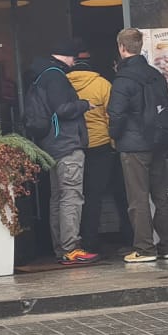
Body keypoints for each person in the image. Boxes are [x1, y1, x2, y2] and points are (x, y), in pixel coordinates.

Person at [21, 45, 97, 266]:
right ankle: (71, 248)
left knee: (58, 198)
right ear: (64, 55)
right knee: (71, 196)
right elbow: (63, 109)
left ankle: (61, 248)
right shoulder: (56, 77)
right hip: (66, 145)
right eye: (73, 57)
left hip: (51, 145)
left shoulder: (41, 75)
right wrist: (84, 104)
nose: (74, 61)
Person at [108, 28, 168, 266]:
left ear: (121, 47)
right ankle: (167, 246)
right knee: (160, 196)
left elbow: (116, 114)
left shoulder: (123, 79)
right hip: (157, 142)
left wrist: (114, 136)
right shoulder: (155, 75)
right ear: (140, 47)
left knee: (138, 198)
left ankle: (145, 248)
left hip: (134, 145)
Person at [67, 47, 122, 256]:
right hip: (100, 145)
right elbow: (111, 116)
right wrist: (114, 143)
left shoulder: (64, 84)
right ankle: (91, 241)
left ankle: (73, 241)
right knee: (94, 195)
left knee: (72, 195)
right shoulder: (103, 84)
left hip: (73, 144)